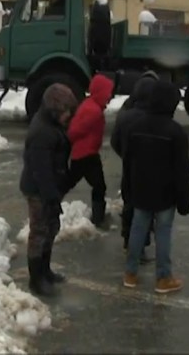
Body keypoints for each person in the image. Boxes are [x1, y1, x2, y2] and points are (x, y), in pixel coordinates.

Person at [119, 80, 189, 294]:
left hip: (140, 190)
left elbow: (127, 161)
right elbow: (182, 170)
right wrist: (183, 200)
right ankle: (163, 278)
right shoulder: (176, 132)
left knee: (137, 229)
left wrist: (127, 189)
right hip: (165, 194)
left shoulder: (135, 127)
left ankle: (130, 274)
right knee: (163, 233)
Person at [19, 83, 80, 297]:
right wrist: (51, 197)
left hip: (49, 188)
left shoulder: (52, 125)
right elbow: (41, 170)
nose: (69, 117)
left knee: (51, 228)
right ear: (55, 110)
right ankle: (36, 279)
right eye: (66, 113)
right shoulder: (42, 133)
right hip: (39, 190)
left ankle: (45, 270)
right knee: (40, 231)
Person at [111, 70, 160, 260]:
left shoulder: (125, 114)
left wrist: (126, 156)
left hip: (129, 168)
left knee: (129, 204)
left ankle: (127, 240)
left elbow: (115, 141)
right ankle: (140, 248)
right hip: (151, 171)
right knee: (146, 209)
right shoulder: (155, 116)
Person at [67, 74, 114, 229]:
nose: (109, 97)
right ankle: (98, 218)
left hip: (88, 153)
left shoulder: (92, 106)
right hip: (85, 155)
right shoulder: (92, 110)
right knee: (97, 185)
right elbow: (74, 131)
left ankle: (98, 216)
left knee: (93, 184)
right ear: (100, 92)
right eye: (107, 93)